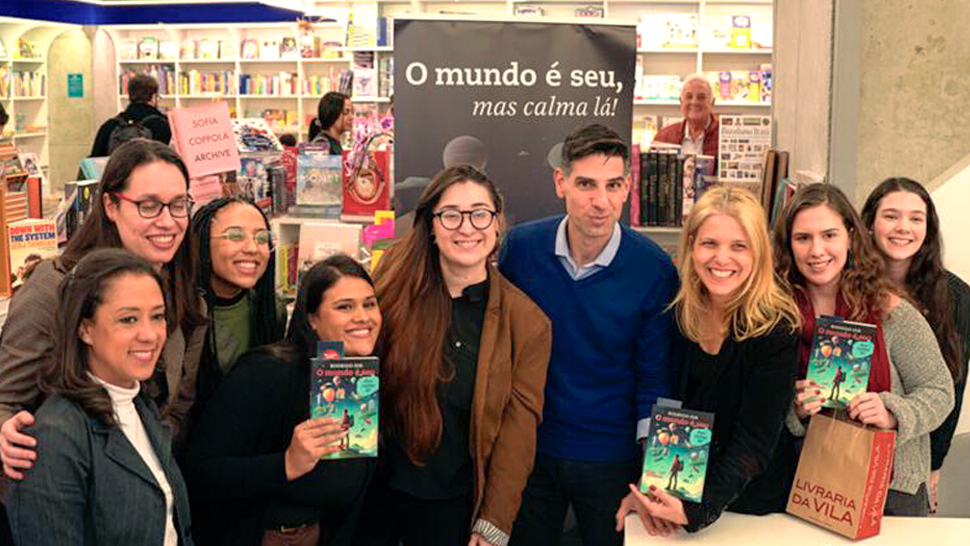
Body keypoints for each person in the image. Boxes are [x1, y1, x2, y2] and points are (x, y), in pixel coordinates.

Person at [499, 124, 679, 546]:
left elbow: (655, 378)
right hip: (531, 449)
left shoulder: (654, 269)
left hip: (610, 457)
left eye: (613, 185)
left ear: (628, 187)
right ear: (560, 182)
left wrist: (651, 477)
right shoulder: (521, 250)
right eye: (586, 185)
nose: (600, 202)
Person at [354, 165, 552, 546]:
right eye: (451, 215)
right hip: (372, 496)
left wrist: (494, 522)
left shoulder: (526, 323)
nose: (466, 227)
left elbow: (518, 433)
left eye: (480, 214)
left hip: (452, 508)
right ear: (431, 224)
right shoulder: (389, 289)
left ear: (497, 225)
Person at [0, 138, 207, 480]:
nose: (168, 222)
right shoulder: (55, 288)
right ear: (111, 205)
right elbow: (7, 396)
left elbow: (178, 406)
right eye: (149, 205)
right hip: (58, 483)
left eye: (178, 204)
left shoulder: (184, 294)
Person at [615, 186, 801, 536]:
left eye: (738, 246)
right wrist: (648, 492)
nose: (722, 258)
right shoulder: (677, 310)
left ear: (758, 253)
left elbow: (755, 441)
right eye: (709, 243)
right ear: (691, 247)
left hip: (749, 507)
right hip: (679, 492)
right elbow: (669, 411)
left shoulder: (777, 328)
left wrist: (696, 509)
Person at [776, 183, 953, 516]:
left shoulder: (891, 311)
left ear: (850, 237)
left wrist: (891, 412)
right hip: (811, 483)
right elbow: (759, 401)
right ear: (788, 245)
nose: (817, 250)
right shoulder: (777, 315)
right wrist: (794, 408)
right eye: (803, 238)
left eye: (829, 235)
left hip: (891, 489)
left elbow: (940, 391)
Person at [185, 255, 380, 546]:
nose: (363, 316)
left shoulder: (366, 379)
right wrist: (286, 464)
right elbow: (202, 473)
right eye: (344, 307)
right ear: (312, 319)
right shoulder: (267, 372)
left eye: (370, 303)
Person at [6, 248, 193, 545]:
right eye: (128, 319)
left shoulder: (139, 404)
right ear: (85, 329)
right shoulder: (56, 436)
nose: (150, 334)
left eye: (157, 316)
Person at [861, 177, 970, 513]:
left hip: (907, 467)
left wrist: (934, 466)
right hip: (848, 452)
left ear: (928, 228)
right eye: (891, 216)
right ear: (869, 223)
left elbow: (952, 385)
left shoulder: (955, 296)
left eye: (916, 218)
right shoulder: (849, 287)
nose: (903, 227)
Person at [190, 197, 286, 413]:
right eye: (235, 236)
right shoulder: (182, 312)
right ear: (202, 242)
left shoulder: (271, 311)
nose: (252, 248)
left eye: (262, 239)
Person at [89, 74, 172, 157]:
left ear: (130, 95)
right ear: (154, 97)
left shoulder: (110, 126)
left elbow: (93, 162)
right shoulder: (165, 125)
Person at [653, 74, 719, 158]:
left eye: (701, 97)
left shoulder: (724, 136)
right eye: (689, 97)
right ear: (681, 102)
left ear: (712, 103)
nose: (694, 102)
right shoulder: (663, 138)